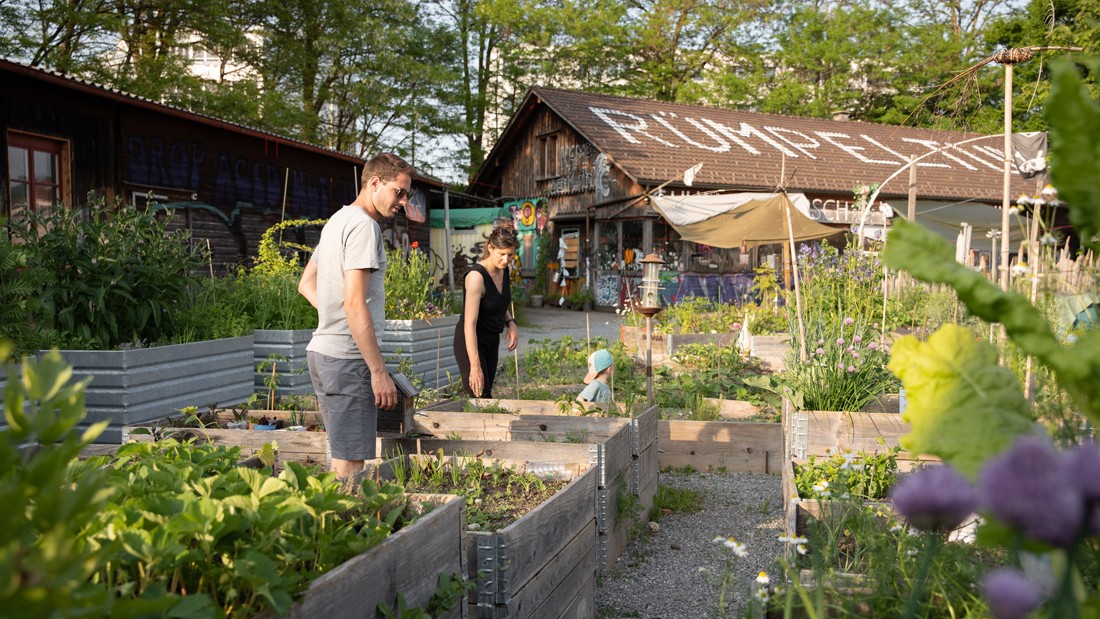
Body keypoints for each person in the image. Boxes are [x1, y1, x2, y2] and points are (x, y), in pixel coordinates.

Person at [298, 152, 416, 477]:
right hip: (350, 362)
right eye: (399, 192)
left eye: (407, 194)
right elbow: (353, 303)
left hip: (323, 354)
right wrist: (378, 372)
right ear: (375, 183)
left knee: (343, 456)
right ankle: (343, 526)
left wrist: (338, 319)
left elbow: (307, 284)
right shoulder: (365, 227)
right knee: (352, 466)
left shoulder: (337, 220)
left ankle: (330, 523)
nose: (403, 201)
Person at [454, 224, 520, 398]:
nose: (506, 260)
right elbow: (469, 324)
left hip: (491, 340)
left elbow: (498, 303)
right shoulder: (476, 278)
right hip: (471, 340)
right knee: (479, 395)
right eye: (502, 254)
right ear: (490, 248)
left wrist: (511, 323)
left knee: (487, 394)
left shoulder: (505, 270)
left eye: (510, 255)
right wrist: (475, 366)